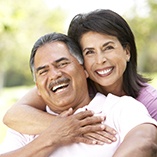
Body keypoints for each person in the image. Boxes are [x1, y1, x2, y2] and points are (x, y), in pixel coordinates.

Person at [2, 9, 157, 152]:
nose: (100, 59)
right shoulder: (31, 120)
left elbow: (146, 140)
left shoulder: (132, 105)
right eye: (89, 52)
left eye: (108, 47)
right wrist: (60, 131)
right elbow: (12, 115)